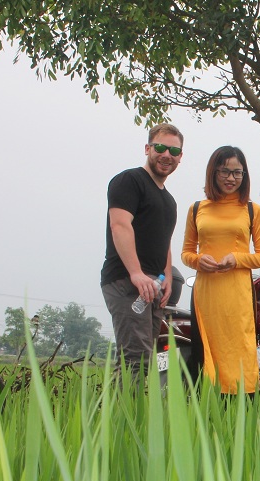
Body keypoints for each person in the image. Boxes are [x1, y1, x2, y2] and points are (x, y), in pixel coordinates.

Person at [181, 146, 260, 395]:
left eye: (237, 173)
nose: (231, 178)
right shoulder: (197, 208)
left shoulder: (252, 210)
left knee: (240, 347)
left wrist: (237, 259)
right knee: (207, 351)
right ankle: (207, 408)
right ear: (213, 172)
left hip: (238, 293)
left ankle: (244, 403)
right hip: (206, 292)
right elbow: (186, 253)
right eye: (225, 172)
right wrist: (199, 261)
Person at [101, 123, 184, 370]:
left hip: (154, 286)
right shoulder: (129, 181)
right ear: (148, 148)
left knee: (147, 360)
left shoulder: (168, 200)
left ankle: (138, 409)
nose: (166, 155)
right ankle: (120, 410)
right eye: (160, 147)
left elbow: (164, 240)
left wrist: (167, 276)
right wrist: (136, 274)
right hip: (126, 281)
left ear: (180, 158)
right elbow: (120, 226)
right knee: (134, 359)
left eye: (174, 151)